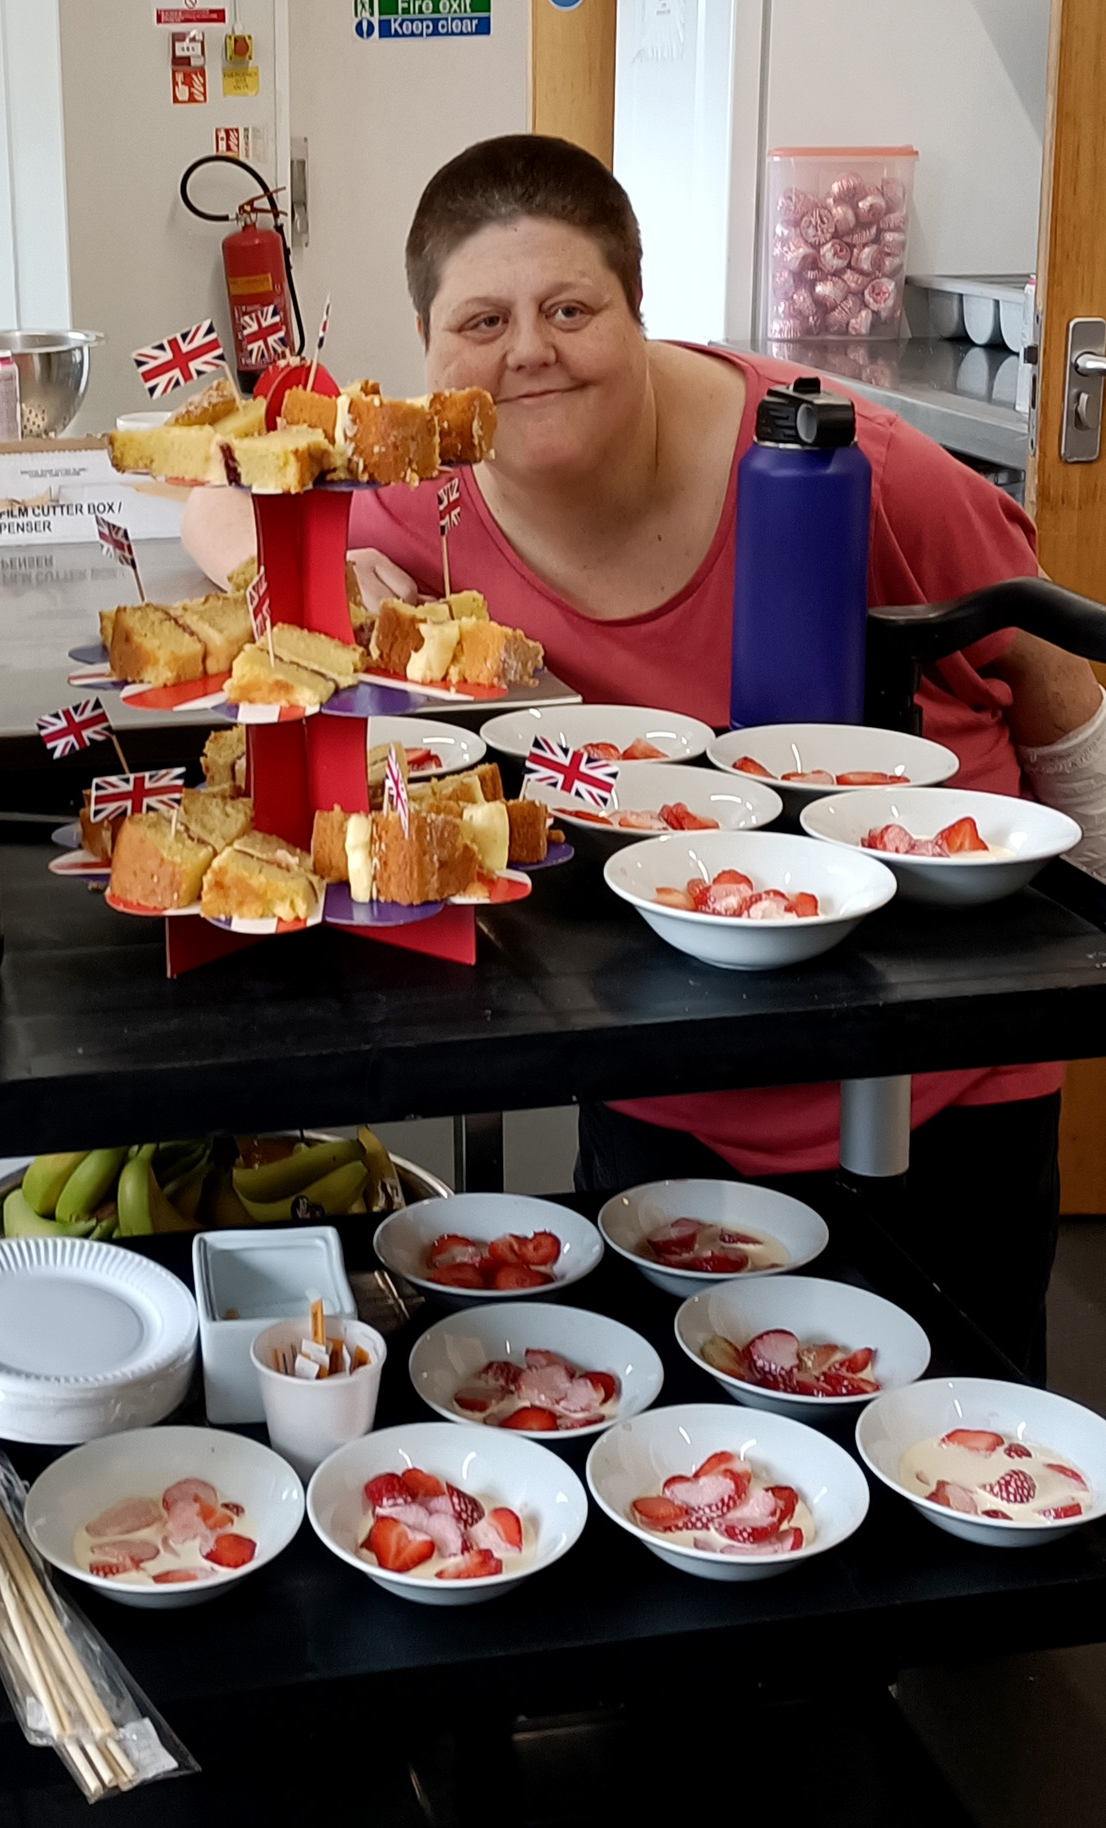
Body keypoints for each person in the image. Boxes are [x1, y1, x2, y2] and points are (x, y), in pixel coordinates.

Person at [184, 135, 1106, 1381]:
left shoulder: (844, 465)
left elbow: (1055, 679)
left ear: (636, 309)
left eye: (571, 309)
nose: (529, 350)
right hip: (660, 1071)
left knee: (958, 1448)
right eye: (482, 321)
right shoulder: (431, 500)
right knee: (671, 1444)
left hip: (931, 1075)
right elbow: (219, 496)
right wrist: (331, 571)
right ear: (426, 348)